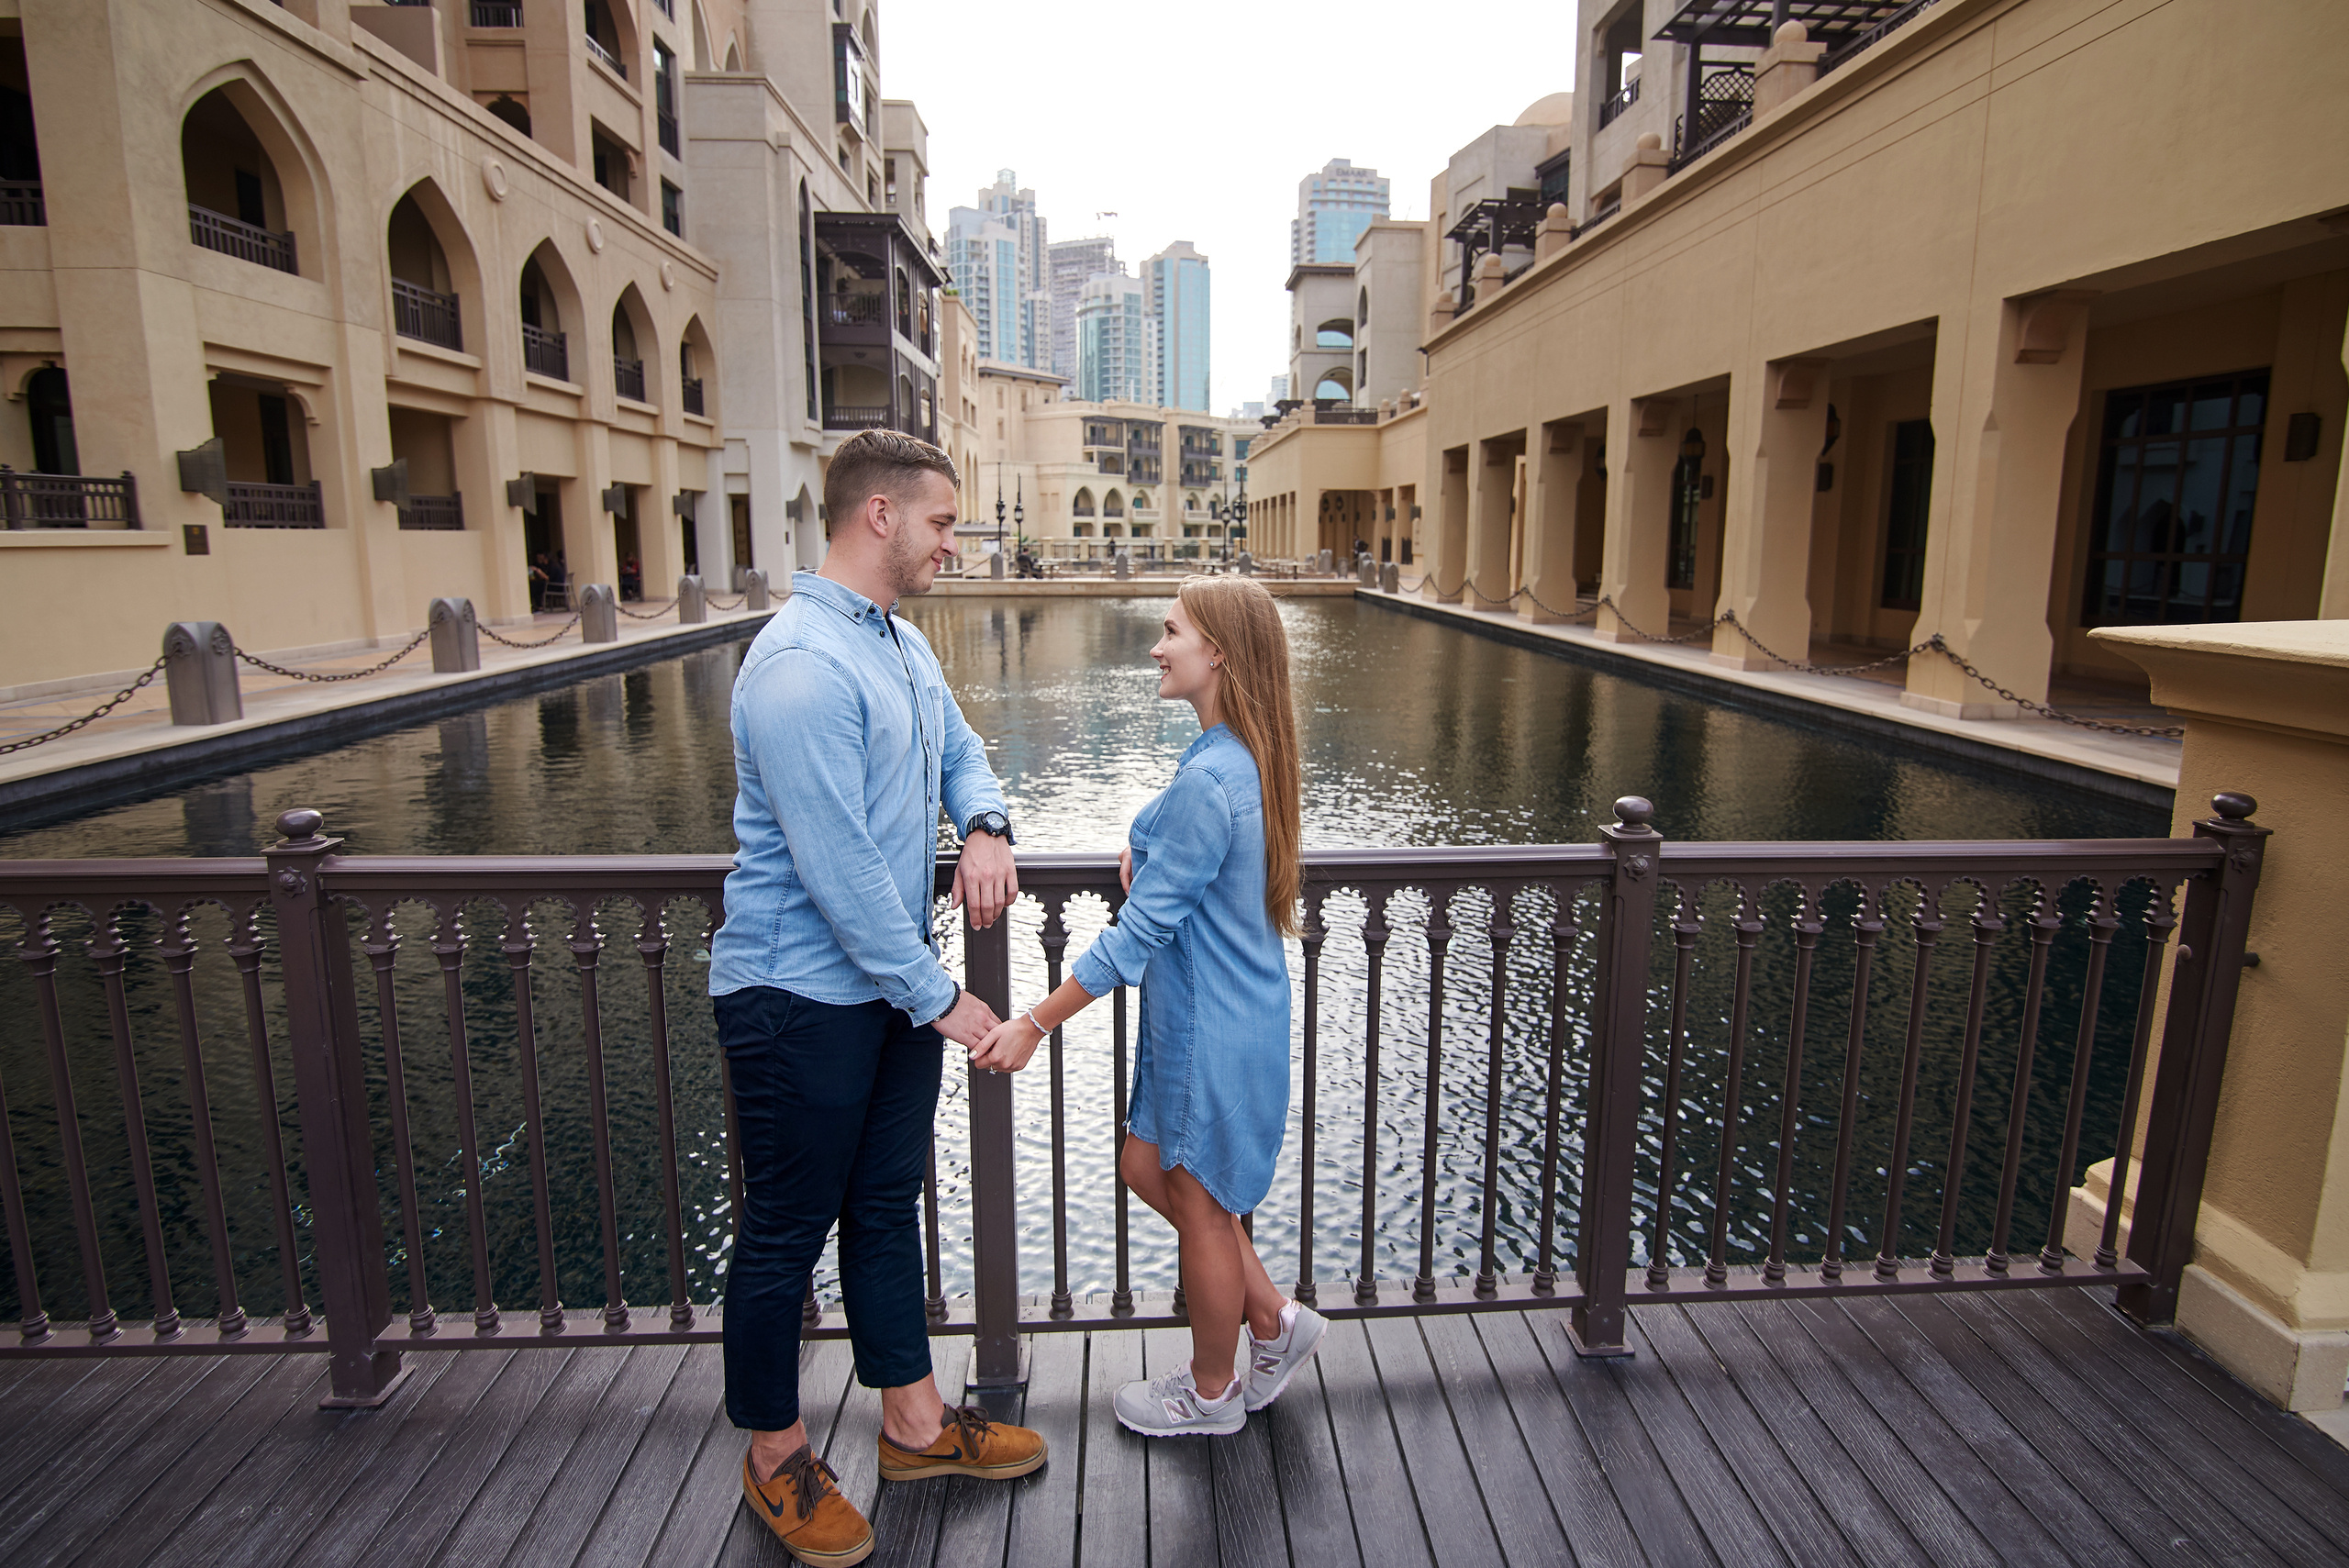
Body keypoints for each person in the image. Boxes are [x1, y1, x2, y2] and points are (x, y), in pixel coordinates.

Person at [711, 428, 1048, 1565]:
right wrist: (943, 996)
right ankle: (775, 1457)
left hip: (885, 989)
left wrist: (987, 825)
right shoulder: (802, 663)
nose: (955, 543)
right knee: (782, 1234)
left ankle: (910, 1424)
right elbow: (842, 873)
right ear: (881, 518)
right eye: (944, 523)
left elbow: (961, 748)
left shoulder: (896, 644)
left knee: (884, 1200)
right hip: (797, 996)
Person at [973, 576, 1328, 1436]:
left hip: (1211, 1026)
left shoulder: (1216, 776)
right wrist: (1143, 842)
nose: (1158, 646)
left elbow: (1133, 941)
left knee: (1201, 1208)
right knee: (1145, 1166)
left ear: (1219, 654)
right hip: (1211, 1017)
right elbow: (1167, 827)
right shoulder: (1230, 756)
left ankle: (1212, 1393)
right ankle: (1275, 1322)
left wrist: (1034, 1020)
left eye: (1172, 632)